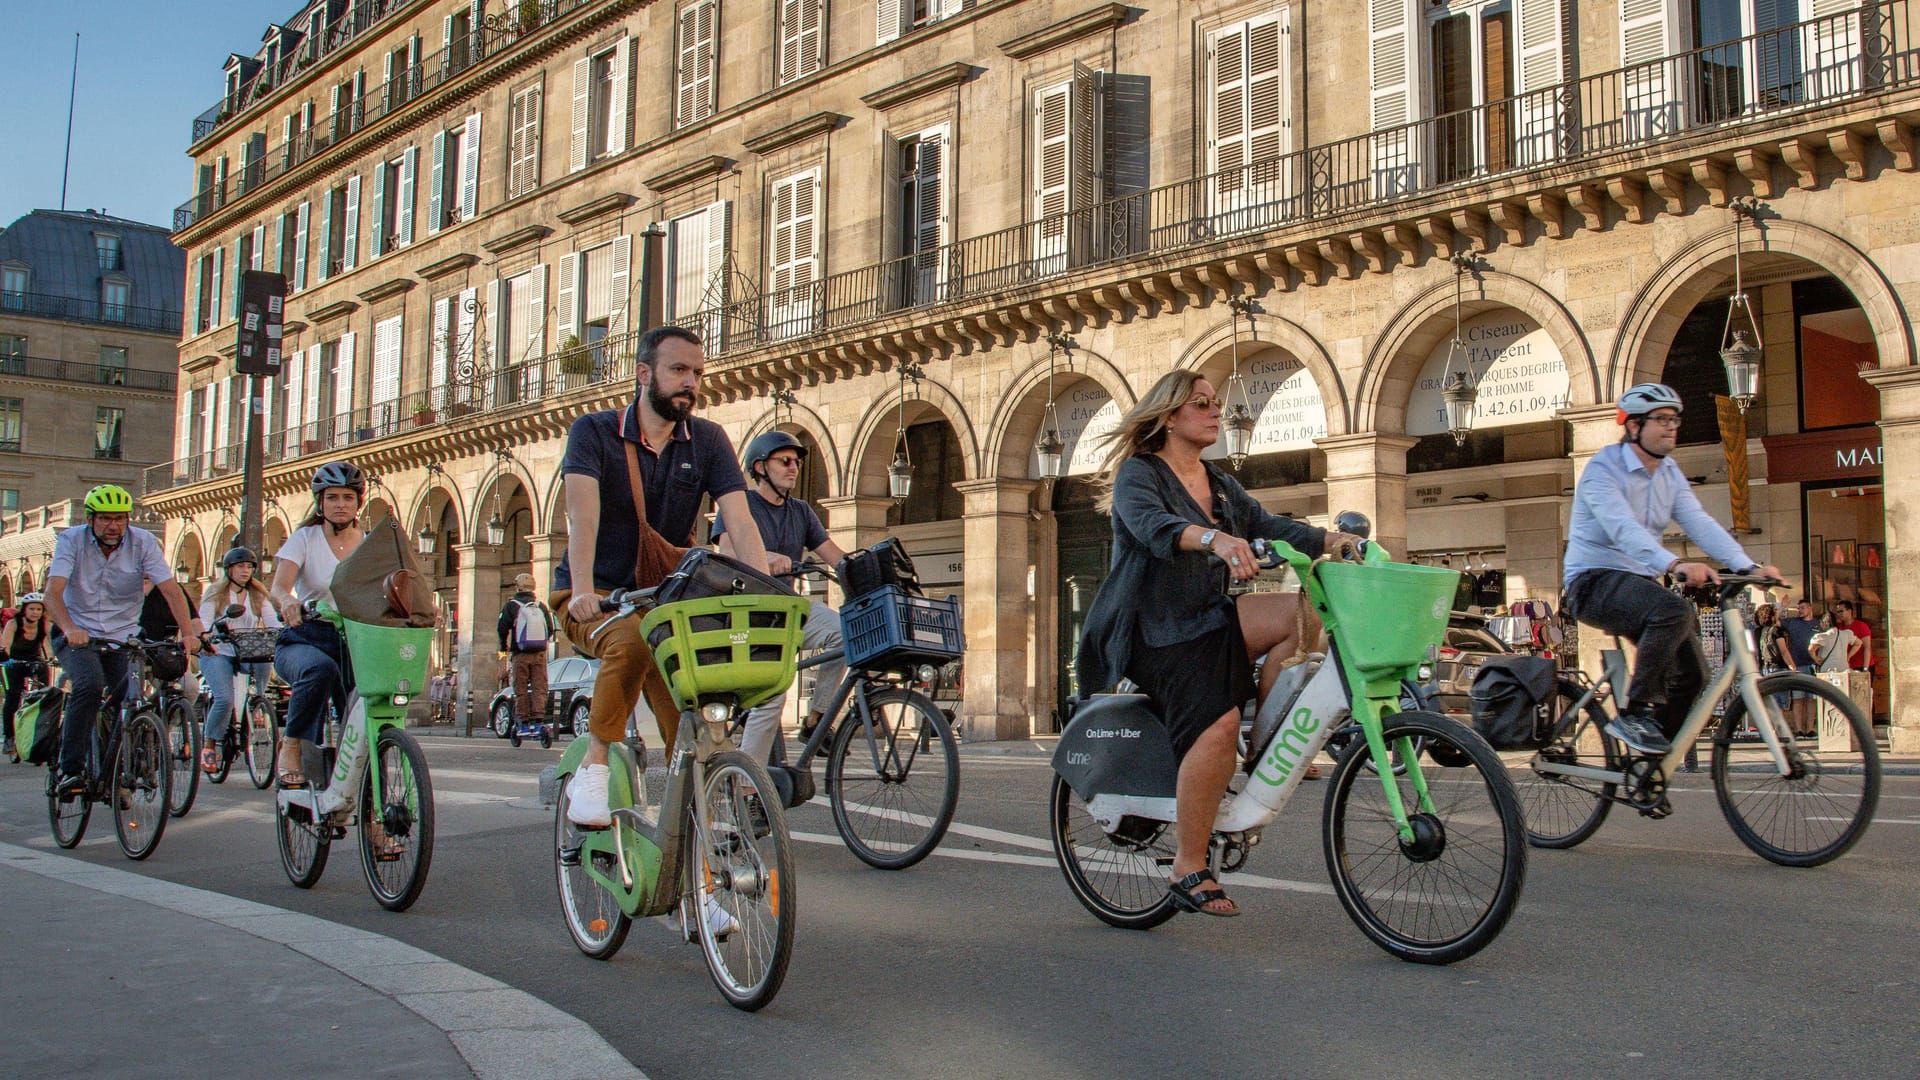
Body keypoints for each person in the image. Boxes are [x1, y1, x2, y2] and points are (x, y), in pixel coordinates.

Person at [1074, 369, 1356, 918]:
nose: (1214, 412)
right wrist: (1214, 539)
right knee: (1218, 723)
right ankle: (1188, 862)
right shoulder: (1141, 474)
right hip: (1153, 632)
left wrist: (1332, 540)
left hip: (1208, 619)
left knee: (1299, 614)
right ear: (1170, 414)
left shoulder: (1221, 484)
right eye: (1201, 403)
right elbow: (1153, 527)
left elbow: (1269, 524)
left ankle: (1266, 745)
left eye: (1217, 403)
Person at [552, 325, 770, 829]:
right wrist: (583, 589)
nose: (690, 382)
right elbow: (581, 516)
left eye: (697, 373)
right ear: (644, 374)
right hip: (597, 597)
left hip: (664, 602)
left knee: (696, 713)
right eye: (679, 370)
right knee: (630, 641)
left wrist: (767, 594)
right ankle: (594, 765)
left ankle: (703, 857)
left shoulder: (709, 440)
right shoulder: (594, 432)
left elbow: (740, 522)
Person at [1562, 384, 1780, 754]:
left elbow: (1699, 522)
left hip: (1637, 583)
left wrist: (1747, 565)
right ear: (1633, 427)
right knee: (1673, 609)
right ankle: (1635, 712)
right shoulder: (1603, 468)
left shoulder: (1669, 472)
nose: (1671, 427)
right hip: (1592, 582)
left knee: (1695, 675)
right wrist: (1674, 563)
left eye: (1674, 419)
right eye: (1660, 419)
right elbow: (1622, 529)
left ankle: (1652, 763)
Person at [42, 485, 200, 793]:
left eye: (120, 518)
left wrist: (190, 634)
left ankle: (116, 769)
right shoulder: (71, 540)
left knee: (131, 697)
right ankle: (69, 769)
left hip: (120, 637)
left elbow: (170, 590)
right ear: (90, 519)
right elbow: (52, 593)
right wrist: (70, 628)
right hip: (76, 632)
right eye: (105, 519)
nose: (113, 526)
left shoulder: (142, 543)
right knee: (88, 684)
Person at [712, 430, 848, 764]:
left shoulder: (801, 511)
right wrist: (766, 557)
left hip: (790, 610)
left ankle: (816, 720)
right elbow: (726, 550)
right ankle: (748, 784)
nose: (794, 468)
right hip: (752, 615)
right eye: (785, 461)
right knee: (772, 698)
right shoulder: (741, 505)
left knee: (846, 633)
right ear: (760, 467)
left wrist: (865, 567)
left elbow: (833, 554)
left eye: (798, 462)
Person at [269, 461, 367, 788]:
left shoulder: (369, 543)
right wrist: (288, 602)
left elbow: (395, 584)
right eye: (333, 497)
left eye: (348, 498)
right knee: (320, 670)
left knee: (366, 708)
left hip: (354, 639)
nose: (341, 504)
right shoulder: (305, 538)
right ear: (320, 502)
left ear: (358, 502)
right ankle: (292, 744)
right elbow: (279, 587)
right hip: (305, 637)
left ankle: (373, 812)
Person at [197, 547, 281, 772]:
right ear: (229, 569)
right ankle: (209, 744)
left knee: (265, 658)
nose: (245, 571)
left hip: (246, 650)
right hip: (218, 650)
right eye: (240, 566)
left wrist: (282, 632)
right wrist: (205, 634)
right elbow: (204, 620)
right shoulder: (216, 594)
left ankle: (258, 700)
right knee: (224, 699)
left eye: (249, 567)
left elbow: (272, 622)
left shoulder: (257, 595)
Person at [497, 573, 555, 731]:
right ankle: (538, 720)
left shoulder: (512, 605)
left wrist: (503, 647)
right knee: (539, 687)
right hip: (540, 653)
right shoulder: (540, 606)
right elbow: (550, 628)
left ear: (518, 586)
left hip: (520, 653)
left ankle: (522, 722)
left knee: (520, 687)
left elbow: (502, 628)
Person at [1, 592, 50, 759]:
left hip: (35, 662)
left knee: (46, 693)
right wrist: (4, 655)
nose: (35, 612)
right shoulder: (14, 624)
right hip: (14, 662)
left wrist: (52, 658)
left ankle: (43, 733)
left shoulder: (44, 625)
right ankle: (9, 737)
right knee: (13, 696)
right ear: (24, 610)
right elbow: (6, 643)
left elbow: (49, 645)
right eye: (32, 609)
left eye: (38, 609)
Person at [1779, 597, 1820, 737]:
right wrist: (1782, 607)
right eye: (1798, 608)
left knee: (1811, 699)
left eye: (1802, 608)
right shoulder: (1793, 622)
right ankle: (1798, 729)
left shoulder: (1818, 624)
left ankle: (1809, 729)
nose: (1800, 611)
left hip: (1813, 665)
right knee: (1798, 699)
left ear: (1810, 608)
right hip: (1797, 665)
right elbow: (1775, 621)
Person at [1832, 599, 1871, 671]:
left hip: (1861, 665)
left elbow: (1867, 648)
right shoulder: (1838, 627)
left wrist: (1865, 668)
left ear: (1849, 611)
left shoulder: (1861, 626)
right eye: (1837, 612)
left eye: (1841, 611)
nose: (1839, 614)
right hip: (1846, 666)